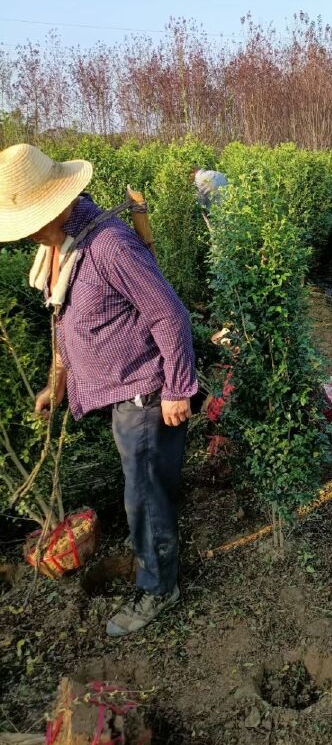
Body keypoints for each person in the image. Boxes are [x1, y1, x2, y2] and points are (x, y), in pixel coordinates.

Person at [0, 143, 197, 637]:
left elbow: (169, 314)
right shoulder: (63, 250)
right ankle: (160, 551)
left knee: (143, 497)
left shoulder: (108, 245)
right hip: (122, 395)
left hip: (146, 395)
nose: (27, 236)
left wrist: (177, 389)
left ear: (58, 205)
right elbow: (66, 324)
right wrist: (56, 382)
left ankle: (159, 588)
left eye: (30, 223)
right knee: (148, 487)